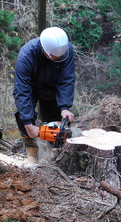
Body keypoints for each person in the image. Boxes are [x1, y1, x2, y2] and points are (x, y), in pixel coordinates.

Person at [13, 26, 76, 161]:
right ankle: (31, 151)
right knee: (23, 115)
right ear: (44, 50)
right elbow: (22, 91)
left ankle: (55, 153)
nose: (58, 57)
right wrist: (28, 124)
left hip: (53, 87)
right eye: (54, 56)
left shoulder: (66, 50)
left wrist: (65, 107)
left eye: (60, 55)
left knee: (56, 120)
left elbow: (67, 79)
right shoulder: (26, 56)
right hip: (31, 87)